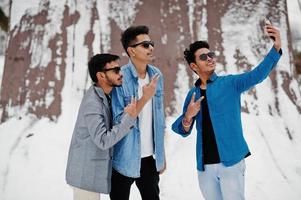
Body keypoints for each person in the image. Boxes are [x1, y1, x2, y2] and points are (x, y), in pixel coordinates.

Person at [172, 24, 282, 199]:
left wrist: (276, 48)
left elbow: (257, 75)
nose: (209, 58)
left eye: (211, 54)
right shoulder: (192, 94)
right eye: (203, 56)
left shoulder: (230, 84)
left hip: (231, 162)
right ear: (194, 66)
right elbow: (183, 130)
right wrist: (188, 116)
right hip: (205, 167)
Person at [65, 53, 155, 200]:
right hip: (85, 176)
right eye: (115, 70)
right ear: (101, 76)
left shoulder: (105, 95)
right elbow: (103, 141)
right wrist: (130, 117)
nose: (121, 74)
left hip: (94, 174)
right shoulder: (92, 104)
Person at [110, 25, 166, 200]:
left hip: (149, 159)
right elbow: (118, 120)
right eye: (145, 45)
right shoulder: (120, 78)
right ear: (131, 51)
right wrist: (144, 97)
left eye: (151, 43)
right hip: (123, 158)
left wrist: (161, 155)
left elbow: (158, 117)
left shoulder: (157, 75)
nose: (151, 48)